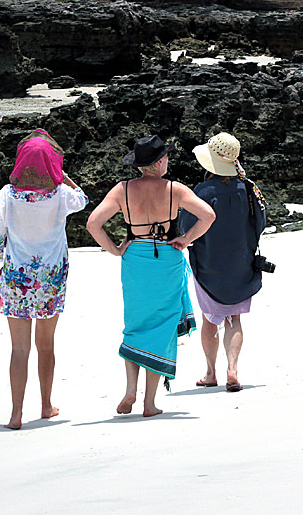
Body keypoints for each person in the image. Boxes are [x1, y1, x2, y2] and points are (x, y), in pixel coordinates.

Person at [86, 135, 216, 417]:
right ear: (158, 163)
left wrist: (116, 249)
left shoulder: (122, 189)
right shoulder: (175, 189)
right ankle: (149, 403)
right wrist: (185, 238)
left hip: (136, 258)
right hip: (166, 259)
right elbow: (208, 215)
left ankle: (130, 389)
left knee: (136, 323)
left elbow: (93, 223)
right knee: (163, 325)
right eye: (166, 157)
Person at [0, 130, 89, 429]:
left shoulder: (8, 195)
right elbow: (83, 198)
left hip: (16, 279)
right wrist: (64, 177)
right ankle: (46, 405)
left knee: (19, 349)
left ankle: (15, 414)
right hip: (51, 279)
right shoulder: (61, 194)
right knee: (47, 345)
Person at [180, 133, 267, 393]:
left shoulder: (202, 191)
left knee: (210, 319)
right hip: (242, 260)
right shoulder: (249, 188)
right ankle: (233, 369)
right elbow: (260, 223)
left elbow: (186, 225)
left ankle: (210, 372)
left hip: (209, 262)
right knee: (235, 319)